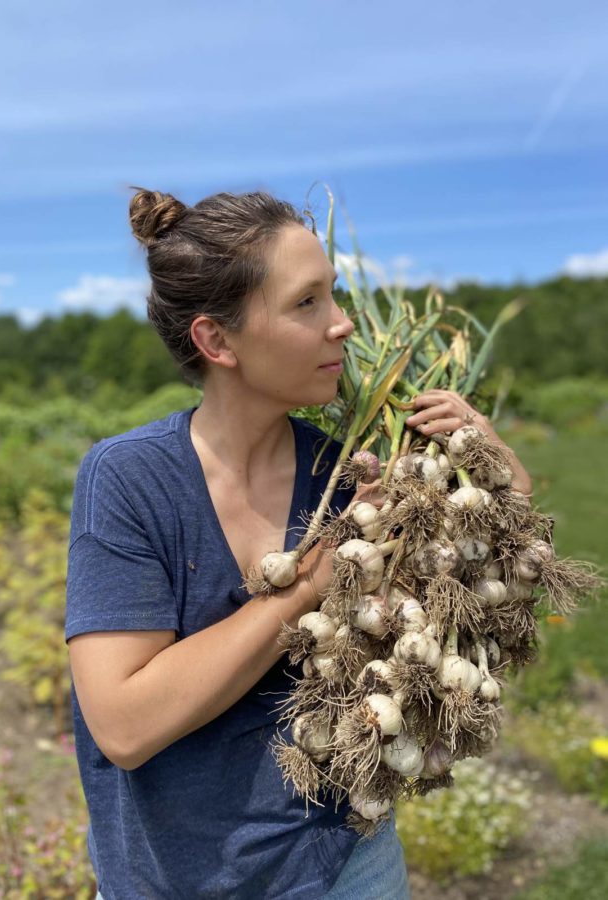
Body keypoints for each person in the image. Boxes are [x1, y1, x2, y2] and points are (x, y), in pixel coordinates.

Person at [65, 187, 532, 900]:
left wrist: (497, 476)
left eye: (334, 296)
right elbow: (125, 727)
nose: (343, 325)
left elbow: (471, 605)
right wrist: (307, 589)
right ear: (215, 341)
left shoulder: (352, 479)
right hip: (169, 881)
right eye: (305, 303)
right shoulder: (131, 478)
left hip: (346, 864)